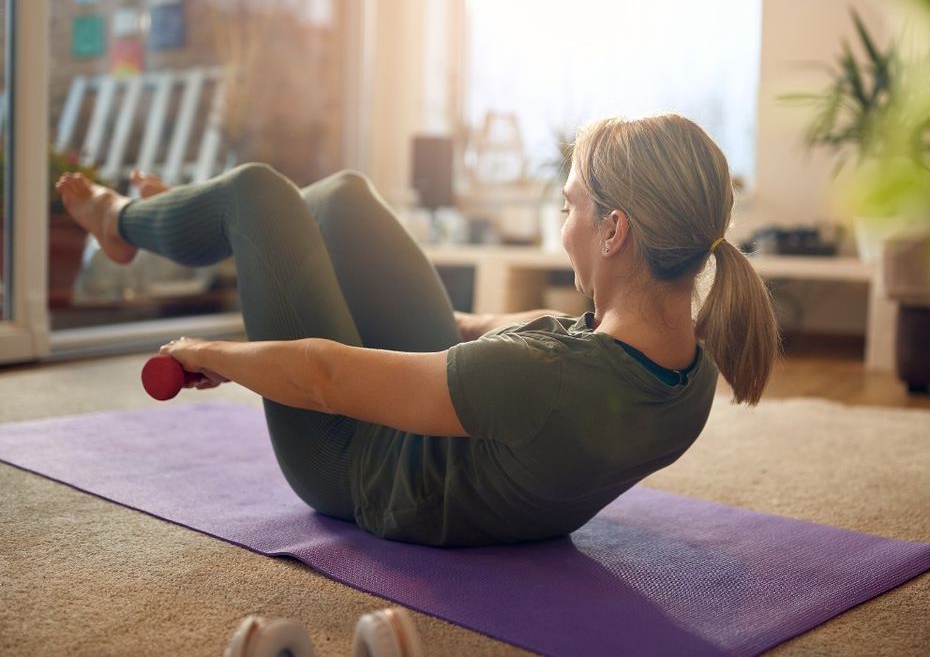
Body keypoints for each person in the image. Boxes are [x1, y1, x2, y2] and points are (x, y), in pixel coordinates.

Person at [54, 113, 780, 547]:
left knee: (257, 192)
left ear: (615, 230)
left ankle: (124, 223)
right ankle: (196, 217)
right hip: (478, 428)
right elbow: (522, 334)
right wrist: (453, 322)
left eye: (569, 208)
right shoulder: (691, 368)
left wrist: (209, 354)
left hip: (358, 469)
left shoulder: (541, 378)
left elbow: (325, 377)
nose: (565, 228)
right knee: (341, 198)